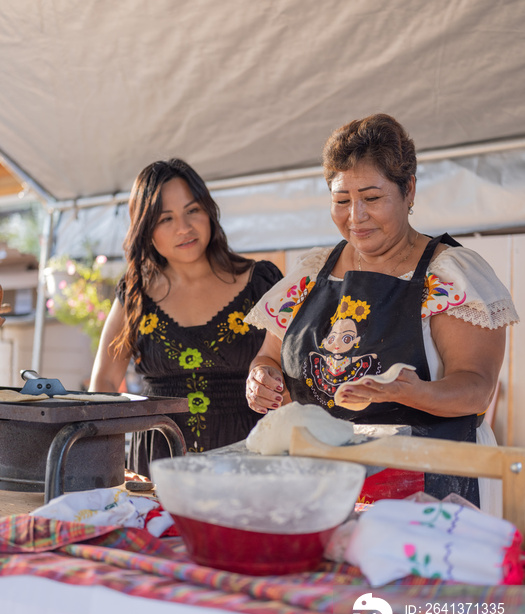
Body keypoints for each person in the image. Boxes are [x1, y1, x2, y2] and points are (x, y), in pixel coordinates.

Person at [245, 113, 519, 511]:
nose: (355, 217)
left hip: (433, 478)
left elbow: (476, 387)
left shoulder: (449, 275)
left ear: (408, 190)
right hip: (327, 480)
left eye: (371, 198)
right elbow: (270, 355)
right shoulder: (312, 273)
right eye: (342, 201)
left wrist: (415, 393)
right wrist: (262, 377)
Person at [90, 158, 282, 473]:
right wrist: (97, 466)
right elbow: (105, 381)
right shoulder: (134, 294)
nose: (184, 228)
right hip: (157, 469)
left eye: (192, 210)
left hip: (252, 461)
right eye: (166, 218)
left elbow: (298, 368)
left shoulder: (261, 282)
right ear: (145, 230)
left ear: (209, 212)